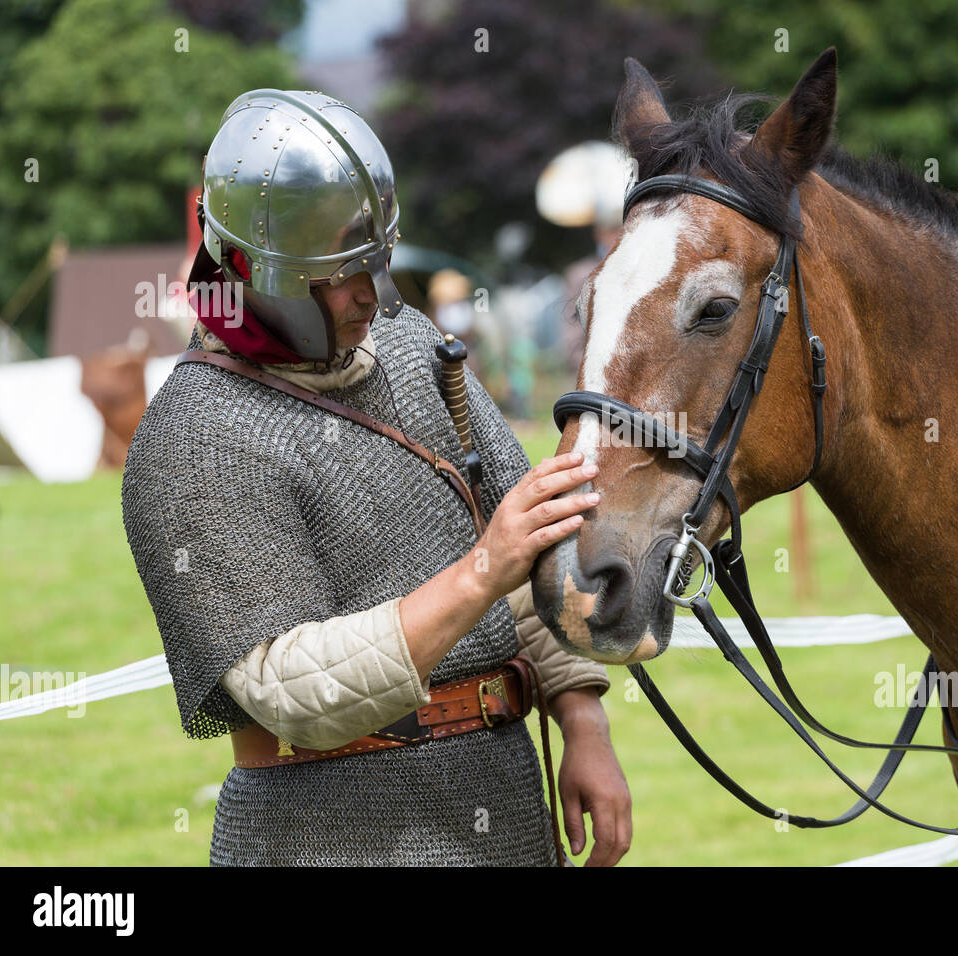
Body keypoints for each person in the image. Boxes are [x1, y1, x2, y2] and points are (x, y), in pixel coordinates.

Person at [121, 89, 631, 866]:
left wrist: (581, 716)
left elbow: (521, 543)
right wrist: (481, 570)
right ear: (257, 273)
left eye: (378, 262)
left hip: (507, 813)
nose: (376, 295)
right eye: (341, 274)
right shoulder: (194, 438)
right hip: (330, 837)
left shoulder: (408, 347)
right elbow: (291, 691)